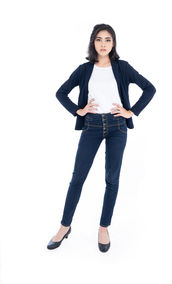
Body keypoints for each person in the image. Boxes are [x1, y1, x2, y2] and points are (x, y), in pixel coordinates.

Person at [47, 23, 156, 252]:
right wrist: (79, 110)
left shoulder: (122, 67)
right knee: (78, 178)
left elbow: (149, 88)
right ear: (92, 42)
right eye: (99, 39)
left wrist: (131, 111)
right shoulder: (84, 69)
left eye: (108, 39)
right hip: (92, 125)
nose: (103, 44)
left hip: (118, 126)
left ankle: (103, 227)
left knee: (112, 179)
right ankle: (64, 226)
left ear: (113, 42)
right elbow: (61, 92)